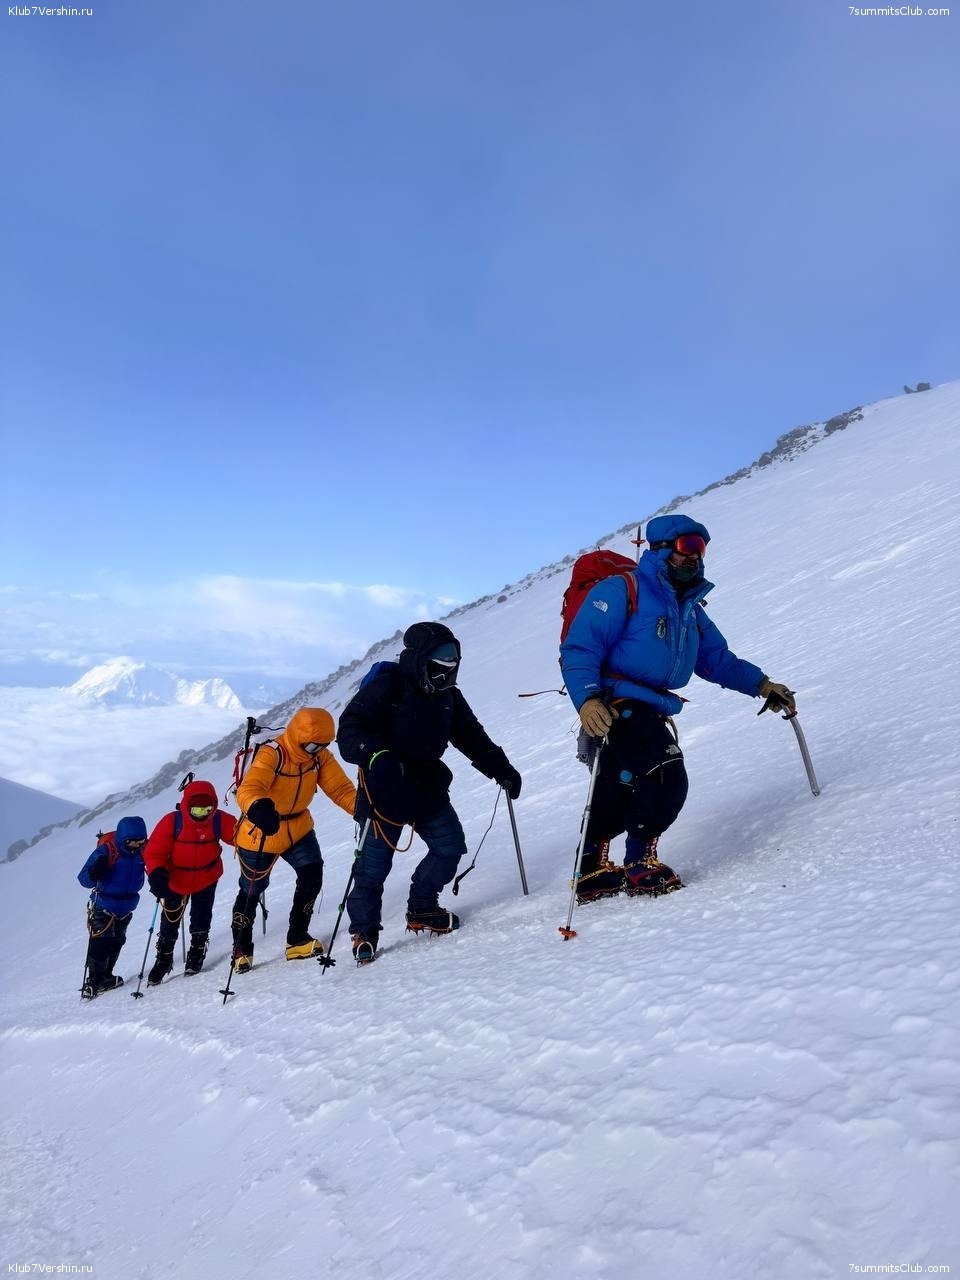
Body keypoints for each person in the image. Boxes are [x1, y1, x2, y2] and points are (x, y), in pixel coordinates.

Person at [560, 514, 795, 903]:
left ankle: (590, 871)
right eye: (687, 546)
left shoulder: (688, 607)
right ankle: (639, 862)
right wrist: (586, 699)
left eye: (700, 548)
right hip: (615, 701)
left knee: (619, 783)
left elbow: (715, 659)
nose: (695, 556)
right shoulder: (622, 590)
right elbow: (580, 647)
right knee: (664, 772)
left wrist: (762, 685)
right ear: (661, 549)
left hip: (651, 703)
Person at [336, 621, 522, 964]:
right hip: (383, 790)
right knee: (372, 869)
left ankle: (422, 906)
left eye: (453, 660)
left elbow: (471, 736)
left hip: (426, 786)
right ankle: (364, 931)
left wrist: (502, 769)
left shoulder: (449, 696)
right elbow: (349, 731)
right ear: (421, 658)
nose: (448, 668)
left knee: (450, 847)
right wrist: (377, 755)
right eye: (441, 661)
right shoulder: (388, 684)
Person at [232, 707, 356, 973]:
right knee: (251, 890)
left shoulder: (319, 756)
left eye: (323, 745)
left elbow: (340, 789)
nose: (316, 750)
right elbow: (249, 788)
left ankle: (297, 939)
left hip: (298, 828)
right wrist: (258, 807)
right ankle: (241, 949)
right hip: (261, 830)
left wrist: (363, 809)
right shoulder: (273, 753)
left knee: (312, 874)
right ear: (299, 737)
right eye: (312, 745)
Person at [142, 779, 236, 984]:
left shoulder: (218, 820)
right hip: (175, 879)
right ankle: (164, 958)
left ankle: (197, 952)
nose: (202, 814)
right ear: (186, 805)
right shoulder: (172, 822)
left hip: (206, 877)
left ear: (214, 806)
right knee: (170, 919)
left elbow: (240, 835)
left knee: (201, 916)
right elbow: (154, 852)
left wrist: (258, 827)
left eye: (207, 809)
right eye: (197, 810)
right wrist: (156, 873)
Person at [77, 816, 147, 998]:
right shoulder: (107, 851)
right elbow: (83, 879)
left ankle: (105, 976)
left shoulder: (142, 850)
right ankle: (94, 981)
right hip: (103, 903)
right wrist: (94, 872)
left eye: (141, 842)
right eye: (132, 842)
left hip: (127, 905)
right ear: (123, 838)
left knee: (117, 941)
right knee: (101, 942)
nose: (136, 846)